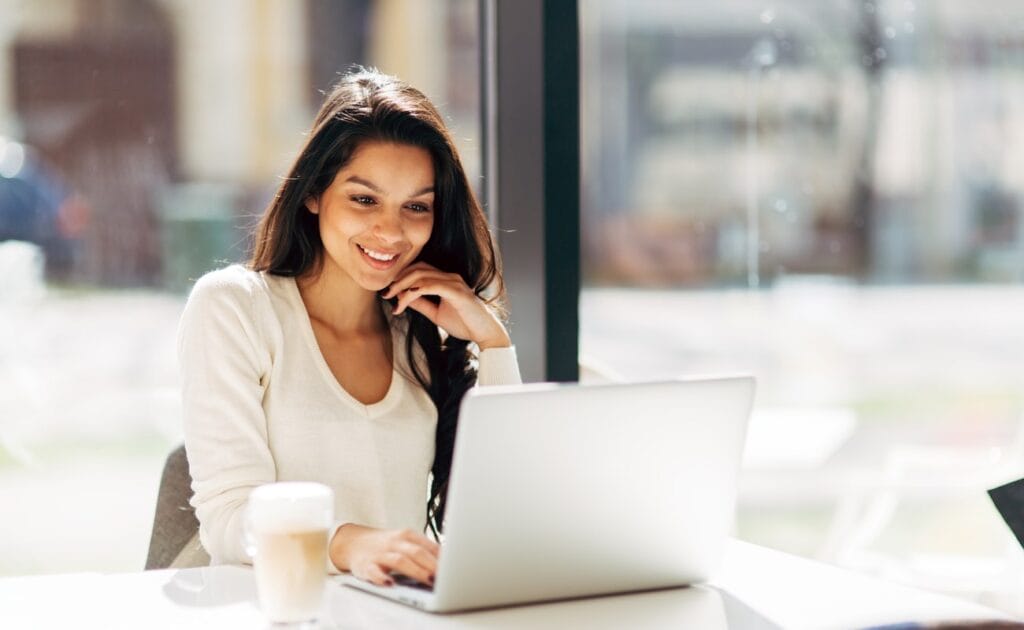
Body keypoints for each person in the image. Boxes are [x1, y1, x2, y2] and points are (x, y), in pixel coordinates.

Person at [177, 68, 521, 588]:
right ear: (314, 194)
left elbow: (500, 515)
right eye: (364, 199)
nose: (391, 230)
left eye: (416, 207)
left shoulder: (420, 337)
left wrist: (491, 340)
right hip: (273, 611)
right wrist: (354, 543)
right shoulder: (235, 308)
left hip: (395, 613)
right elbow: (228, 519)